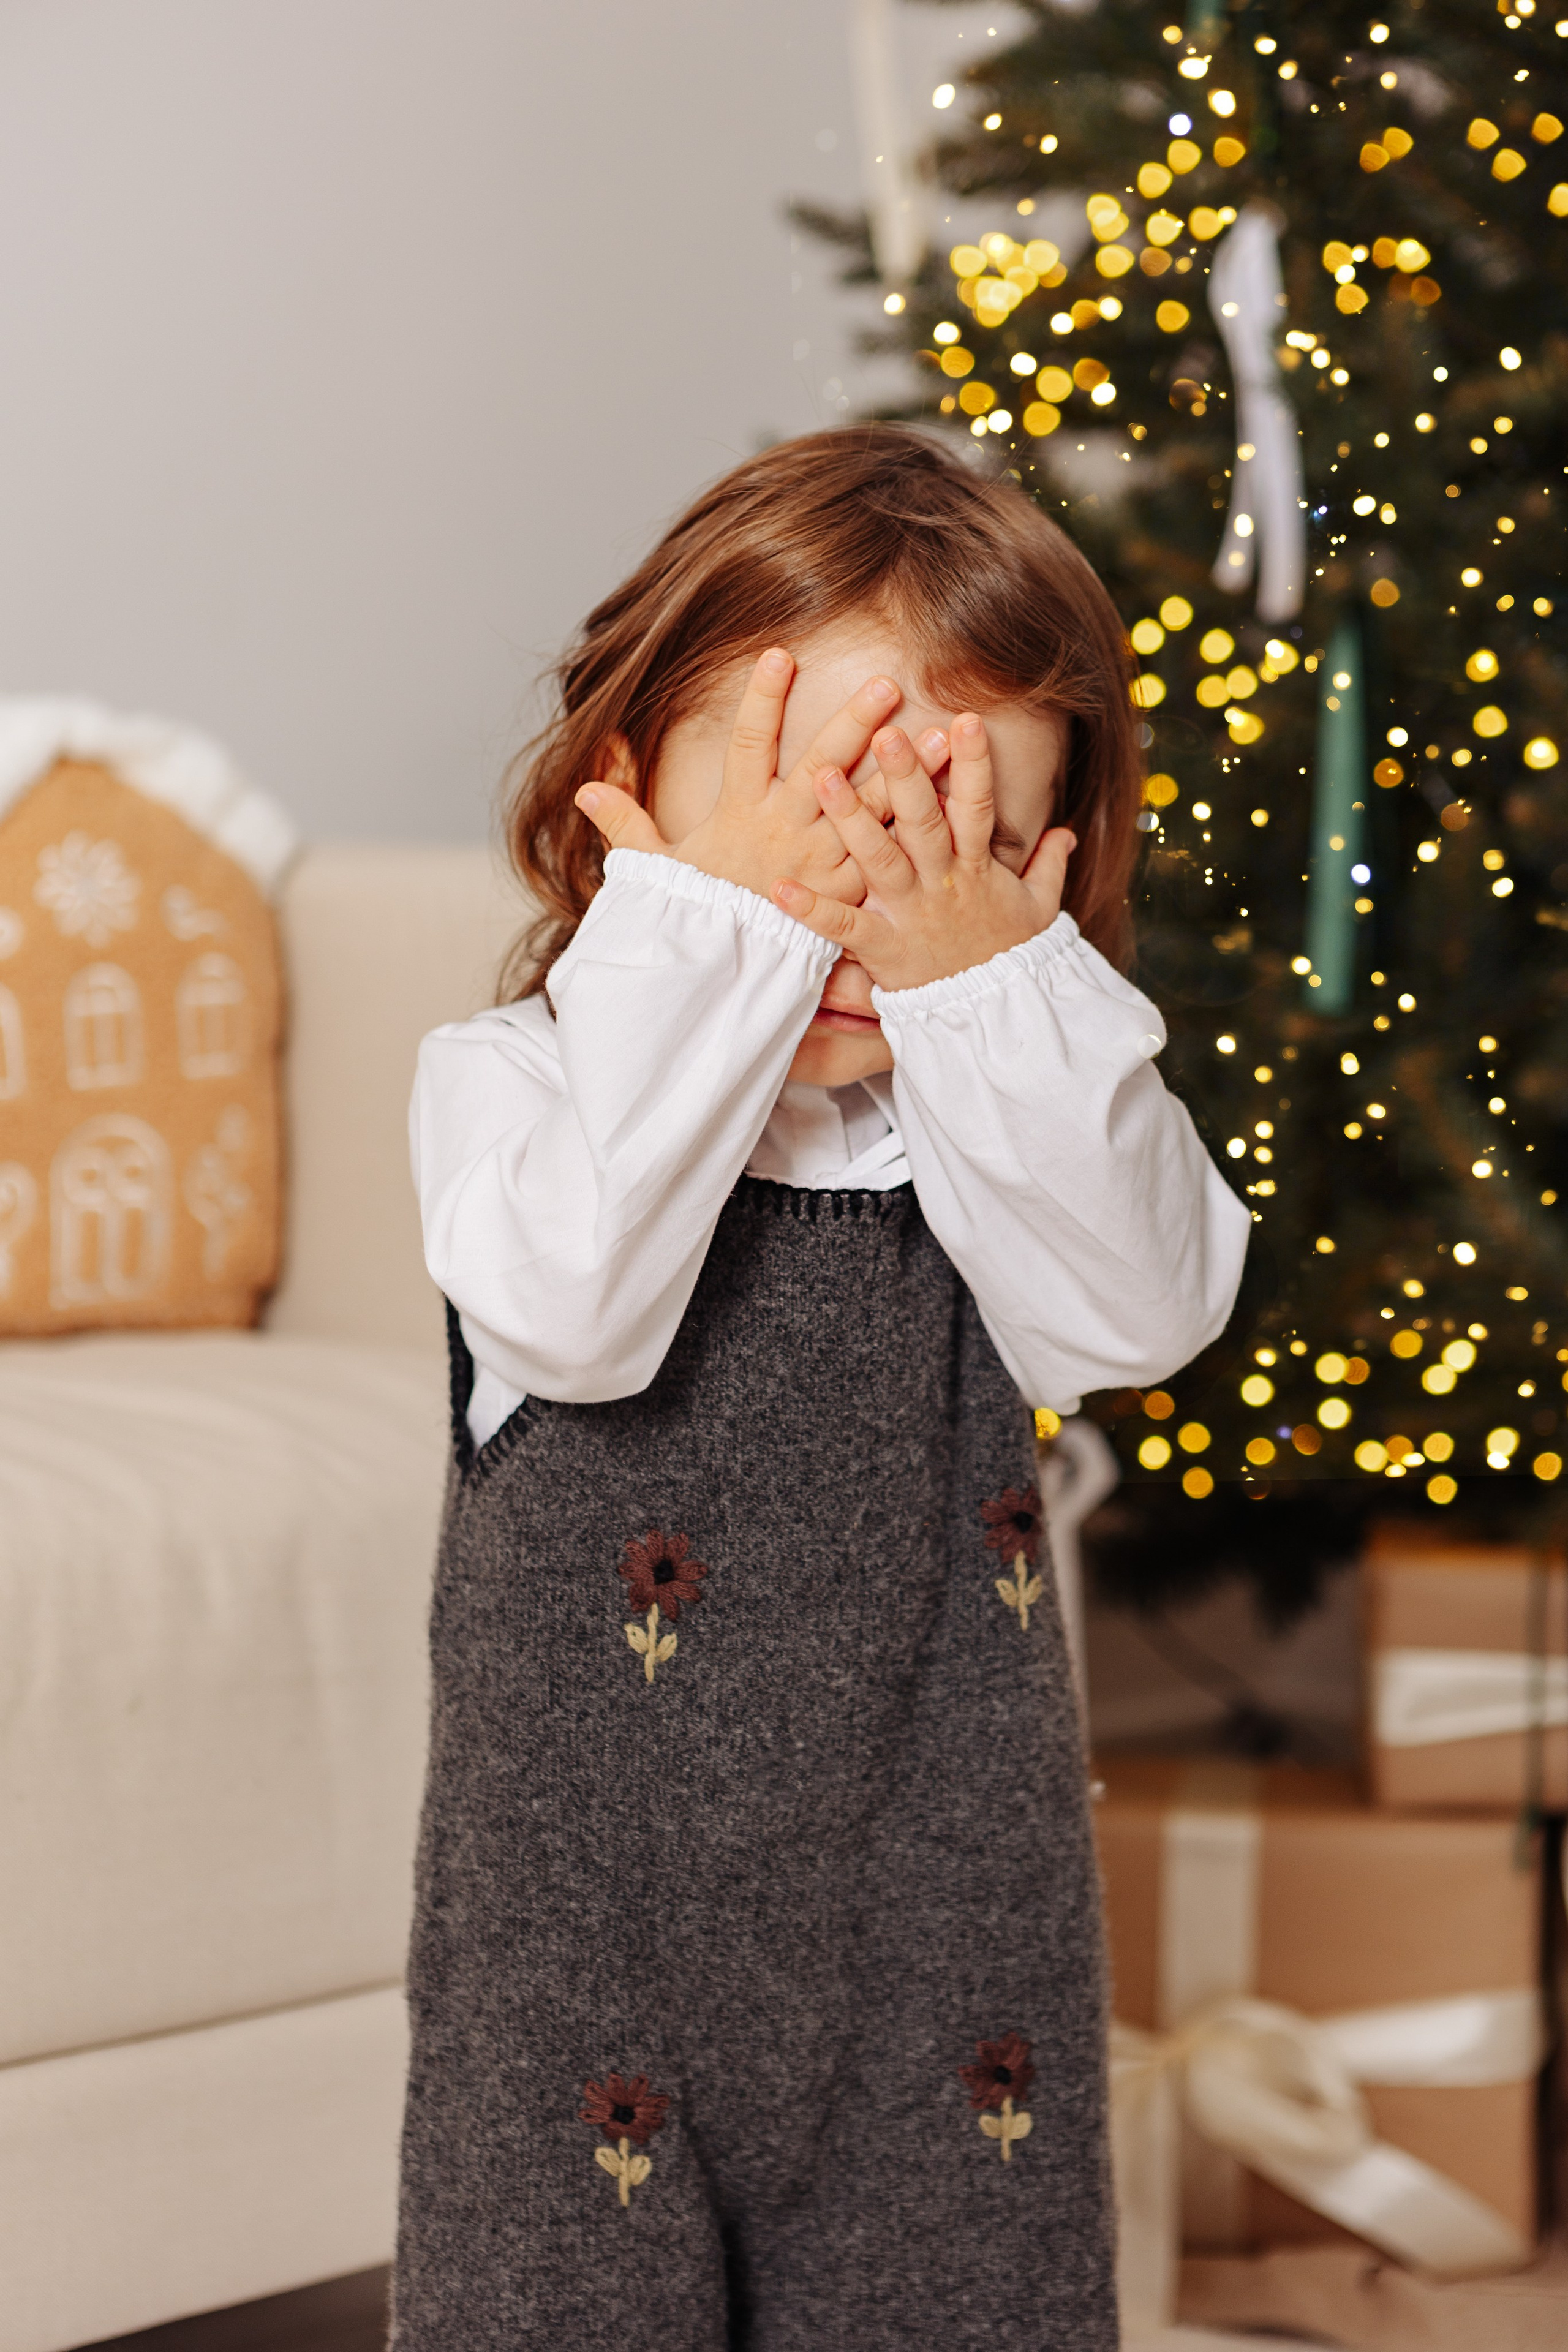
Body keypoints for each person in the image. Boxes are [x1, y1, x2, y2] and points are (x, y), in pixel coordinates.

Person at [392, 426, 1248, 2351]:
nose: (861, 882)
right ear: (625, 801)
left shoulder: (986, 1129)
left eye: (942, 834)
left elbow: (1137, 1315)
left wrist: (987, 993)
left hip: (948, 1939)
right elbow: (577, 1305)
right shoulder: (511, 1087)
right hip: (582, 1966)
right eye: (803, 811)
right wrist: (720, 942)